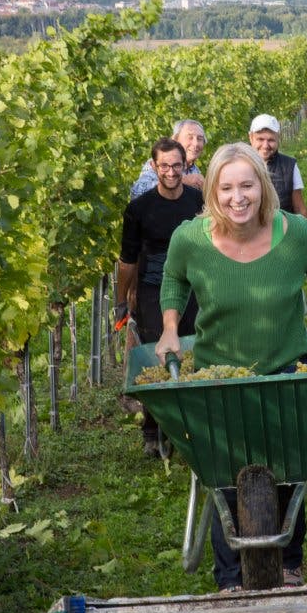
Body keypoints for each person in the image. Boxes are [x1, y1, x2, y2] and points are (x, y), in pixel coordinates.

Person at [155, 142, 307, 592]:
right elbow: (173, 277)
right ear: (212, 191)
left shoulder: (296, 233)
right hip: (218, 378)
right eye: (226, 188)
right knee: (224, 478)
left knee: (291, 471)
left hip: (288, 370)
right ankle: (230, 579)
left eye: (247, 185)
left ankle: (289, 565)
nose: (238, 197)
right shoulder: (190, 239)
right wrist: (170, 328)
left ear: (263, 186)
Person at [115, 137, 204, 456]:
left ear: (185, 166)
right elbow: (128, 260)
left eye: (177, 165)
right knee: (159, 354)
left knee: (194, 352)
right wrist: (122, 301)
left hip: (193, 286)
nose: (171, 172)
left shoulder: (198, 201)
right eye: (164, 166)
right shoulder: (139, 209)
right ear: (154, 166)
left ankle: (190, 428)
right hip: (153, 289)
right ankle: (153, 430)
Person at [248, 113, 307, 218]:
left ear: (278, 138)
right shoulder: (238, 166)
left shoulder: (289, 166)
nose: (265, 145)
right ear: (251, 137)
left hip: (282, 226)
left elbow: (299, 208)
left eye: (271, 140)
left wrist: (306, 227)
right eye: (260, 139)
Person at [129, 119, 207, 200]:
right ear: (175, 139)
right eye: (190, 137)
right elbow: (138, 193)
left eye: (200, 139)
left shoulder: (194, 170)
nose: (195, 143)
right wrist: (182, 182)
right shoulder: (159, 163)